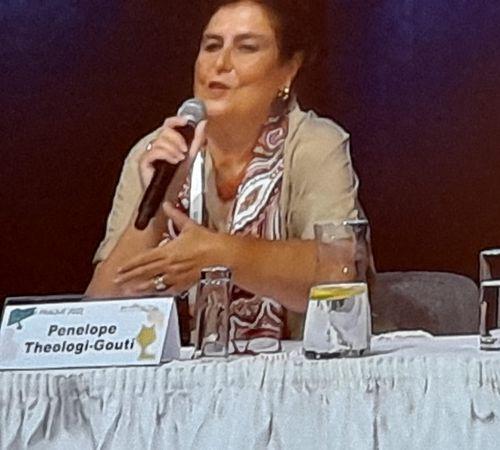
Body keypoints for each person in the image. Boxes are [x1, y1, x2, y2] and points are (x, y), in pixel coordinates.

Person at [86, 0, 365, 341]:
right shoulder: (153, 154)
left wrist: (221, 254)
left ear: (288, 70)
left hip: (295, 367)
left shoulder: (314, 145)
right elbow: (96, 318)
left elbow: (339, 273)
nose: (220, 63)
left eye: (246, 48)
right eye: (212, 46)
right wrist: (158, 205)